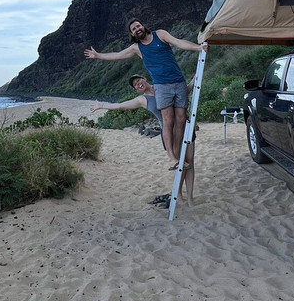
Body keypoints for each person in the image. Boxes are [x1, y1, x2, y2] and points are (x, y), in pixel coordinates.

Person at [84, 18, 206, 171]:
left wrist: (198, 48)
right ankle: (172, 157)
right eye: (133, 29)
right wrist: (98, 56)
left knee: (181, 120)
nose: (137, 29)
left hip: (179, 82)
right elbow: (117, 55)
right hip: (161, 86)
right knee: (168, 120)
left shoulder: (160, 34)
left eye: (137, 26)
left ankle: (178, 154)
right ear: (132, 34)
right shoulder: (137, 48)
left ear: (143, 26)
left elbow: (179, 42)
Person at [92, 75, 196, 204]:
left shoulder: (161, 88)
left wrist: (194, 80)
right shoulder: (142, 100)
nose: (138, 84)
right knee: (181, 163)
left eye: (138, 80)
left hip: (185, 126)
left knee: (190, 160)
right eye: (135, 84)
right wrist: (101, 105)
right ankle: (179, 195)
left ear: (144, 78)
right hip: (170, 133)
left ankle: (190, 198)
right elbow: (120, 106)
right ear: (136, 89)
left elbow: (183, 92)